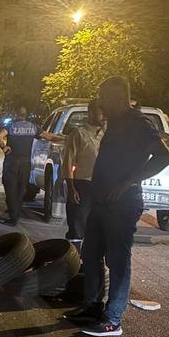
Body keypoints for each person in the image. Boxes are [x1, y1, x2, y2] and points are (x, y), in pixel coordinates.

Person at [64, 76, 169, 337]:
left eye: (103, 97)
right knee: (91, 255)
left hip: (122, 205)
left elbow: (164, 157)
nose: (100, 102)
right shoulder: (116, 122)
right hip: (101, 201)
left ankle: (113, 320)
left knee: (118, 261)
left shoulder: (137, 123)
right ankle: (92, 306)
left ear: (117, 97)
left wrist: (127, 183)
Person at [0, 105, 61, 225]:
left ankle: (13, 216)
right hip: (25, 163)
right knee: (21, 189)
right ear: (26, 115)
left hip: (11, 162)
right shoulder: (33, 127)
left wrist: (4, 147)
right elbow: (49, 136)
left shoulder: (11, 126)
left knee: (10, 189)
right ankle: (16, 214)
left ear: (16, 115)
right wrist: (65, 138)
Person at [63, 99, 105, 250]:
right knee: (77, 225)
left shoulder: (107, 135)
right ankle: (73, 260)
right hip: (82, 185)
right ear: (91, 113)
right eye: (101, 113)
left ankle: (91, 263)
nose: (104, 116)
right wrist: (71, 187)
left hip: (102, 187)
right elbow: (68, 161)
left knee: (96, 227)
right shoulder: (78, 134)